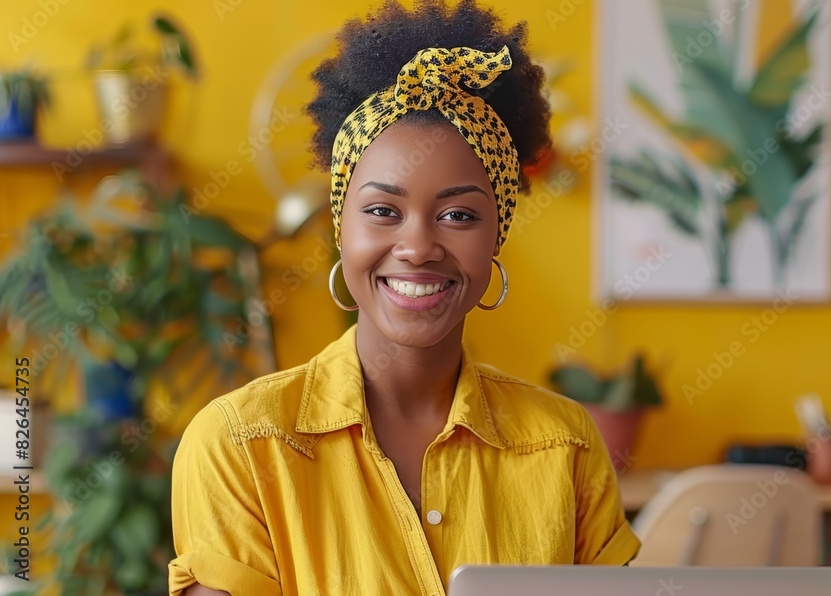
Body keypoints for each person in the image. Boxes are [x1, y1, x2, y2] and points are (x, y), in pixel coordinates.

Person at [168, 1, 640, 594]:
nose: (417, 246)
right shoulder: (239, 444)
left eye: (458, 214)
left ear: (497, 234)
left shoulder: (566, 444)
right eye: (383, 211)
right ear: (342, 228)